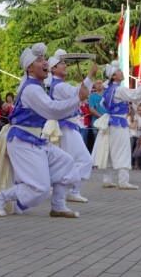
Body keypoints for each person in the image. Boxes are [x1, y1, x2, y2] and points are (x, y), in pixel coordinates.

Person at [0, 43, 89, 218]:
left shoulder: (36, 86)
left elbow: (53, 108)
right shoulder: (31, 89)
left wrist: (77, 97)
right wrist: (77, 99)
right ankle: (1, 197)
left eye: (44, 59)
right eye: (39, 60)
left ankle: (58, 205)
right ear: (30, 67)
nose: (45, 63)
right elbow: (51, 110)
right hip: (22, 141)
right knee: (40, 189)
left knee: (66, 164)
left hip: (35, 140)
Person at [92, 61, 141, 189]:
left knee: (108, 149)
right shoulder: (119, 89)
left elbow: (103, 104)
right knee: (123, 149)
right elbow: (135, 94)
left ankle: (107, 179)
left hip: (110, 121)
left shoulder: (108, 90)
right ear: (113, 76)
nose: (122, 72)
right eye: (119, 71)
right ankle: (123, 180)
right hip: (119, 123)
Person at [48, 49, 97, 203]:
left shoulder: (61, 85)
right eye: (61, 63)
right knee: (84, 159)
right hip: (66, 126)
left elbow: (78, 94)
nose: (65, 65)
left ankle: (67, 190)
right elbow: (77, 94)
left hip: (68, 126)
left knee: (71, 160)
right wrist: (89, 75)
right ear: (53, 69)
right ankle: (70, 190)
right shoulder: (58, 86)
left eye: (64, 63)